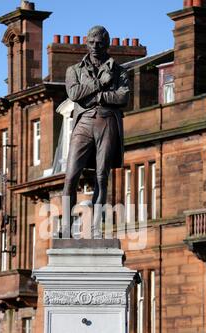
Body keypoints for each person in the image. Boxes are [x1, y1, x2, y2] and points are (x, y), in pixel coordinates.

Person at [62, 25, 130, 237]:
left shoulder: (120, 71)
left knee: (102, 176)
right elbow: (74, 93)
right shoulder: (74, 70)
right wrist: (100, 83)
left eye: (99, 43)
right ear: (86, 43)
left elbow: (123, 97)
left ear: (107, 44)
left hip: (107, 122)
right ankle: (66, 226)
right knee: (71, 176)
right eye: (91, 42)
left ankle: (95, 228)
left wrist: (98, 97)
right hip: (83, 123)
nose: (95, 46)